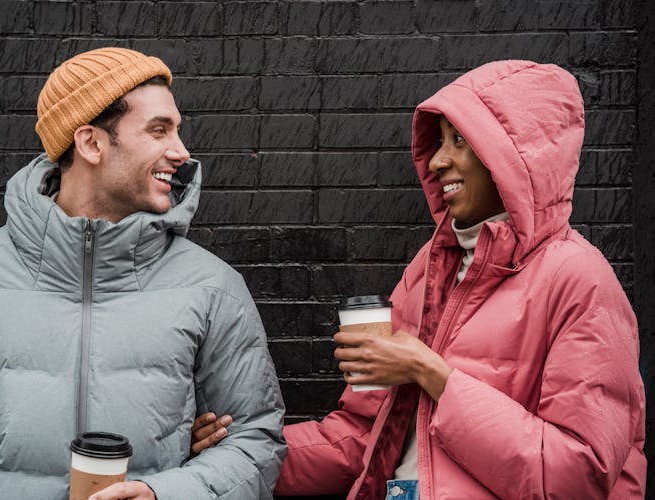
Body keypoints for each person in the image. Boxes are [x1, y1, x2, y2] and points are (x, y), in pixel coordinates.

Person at [191, 60, 647, 498]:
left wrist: (432, 374)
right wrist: (239, 455)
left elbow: (580, 476)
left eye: (460, 141)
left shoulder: (580, 280)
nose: (436, 162)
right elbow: (361, 439)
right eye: (439, 142)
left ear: (514, 156)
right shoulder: (431, 268)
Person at [0, 47, 286, 500]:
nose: (181, 152)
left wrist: (164, 494)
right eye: (158, 130)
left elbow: (255, 440)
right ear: (90, 143)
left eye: (177, 130)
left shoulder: (213, 288)